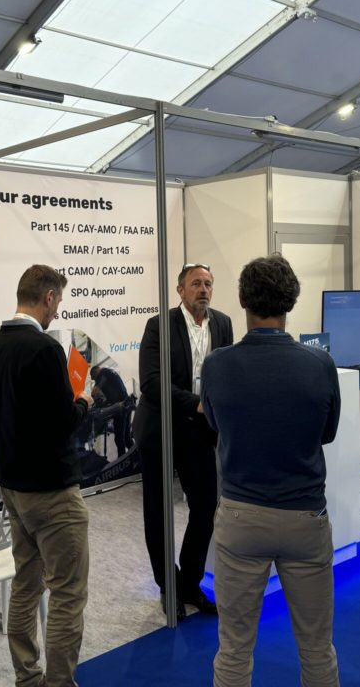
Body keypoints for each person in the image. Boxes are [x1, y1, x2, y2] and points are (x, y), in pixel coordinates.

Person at [202, 254, 341, 687]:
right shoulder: (320, 364)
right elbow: (327, 432)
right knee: (317, 647)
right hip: (305, 517)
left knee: (234, 647)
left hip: (241, 516)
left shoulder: (217, 364)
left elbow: (215, 425)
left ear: (243, 300)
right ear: (291, 301)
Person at [0, 264, 93, 687]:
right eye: (58, 302)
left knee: (26, 585)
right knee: (67, 593)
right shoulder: (44, 350)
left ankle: (26, 678)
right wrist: (84, 400)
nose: (57, 311)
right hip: (52, 492)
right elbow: (63, 423)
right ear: (47, 297)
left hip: (13, 488)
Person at [134, 262, 233, 619]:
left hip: (201, 432)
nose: (203, 289)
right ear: (180, 290)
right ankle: (168, 586)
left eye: (208, 283)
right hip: (160, 429)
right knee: (159, 512)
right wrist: (195, 403)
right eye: (196, 284)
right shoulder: (159, 325)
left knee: (205, 507)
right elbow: (151, 382)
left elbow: (226, 373)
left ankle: (190, 582)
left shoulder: (222, 323)